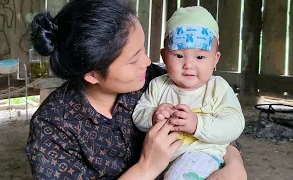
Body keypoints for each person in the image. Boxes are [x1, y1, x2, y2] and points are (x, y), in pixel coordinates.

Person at [25, 1, 247, 179]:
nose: (147, 61)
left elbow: (215, 115)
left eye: (143, 49)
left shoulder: (156, 78)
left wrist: (234, 163)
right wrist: (146, 168)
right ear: (92, 74)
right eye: (133, 60)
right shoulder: (54, 128)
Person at [133, 6, 245, 180]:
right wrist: (153, 116)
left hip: (202, 153)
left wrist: (197, 124)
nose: (188, 65)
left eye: (200, 57)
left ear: (215, 59)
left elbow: (235, 123)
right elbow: (138, 115)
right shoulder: (158, 85)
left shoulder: (218, 88)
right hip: (162, 156)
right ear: (164, 56)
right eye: (179, 56)